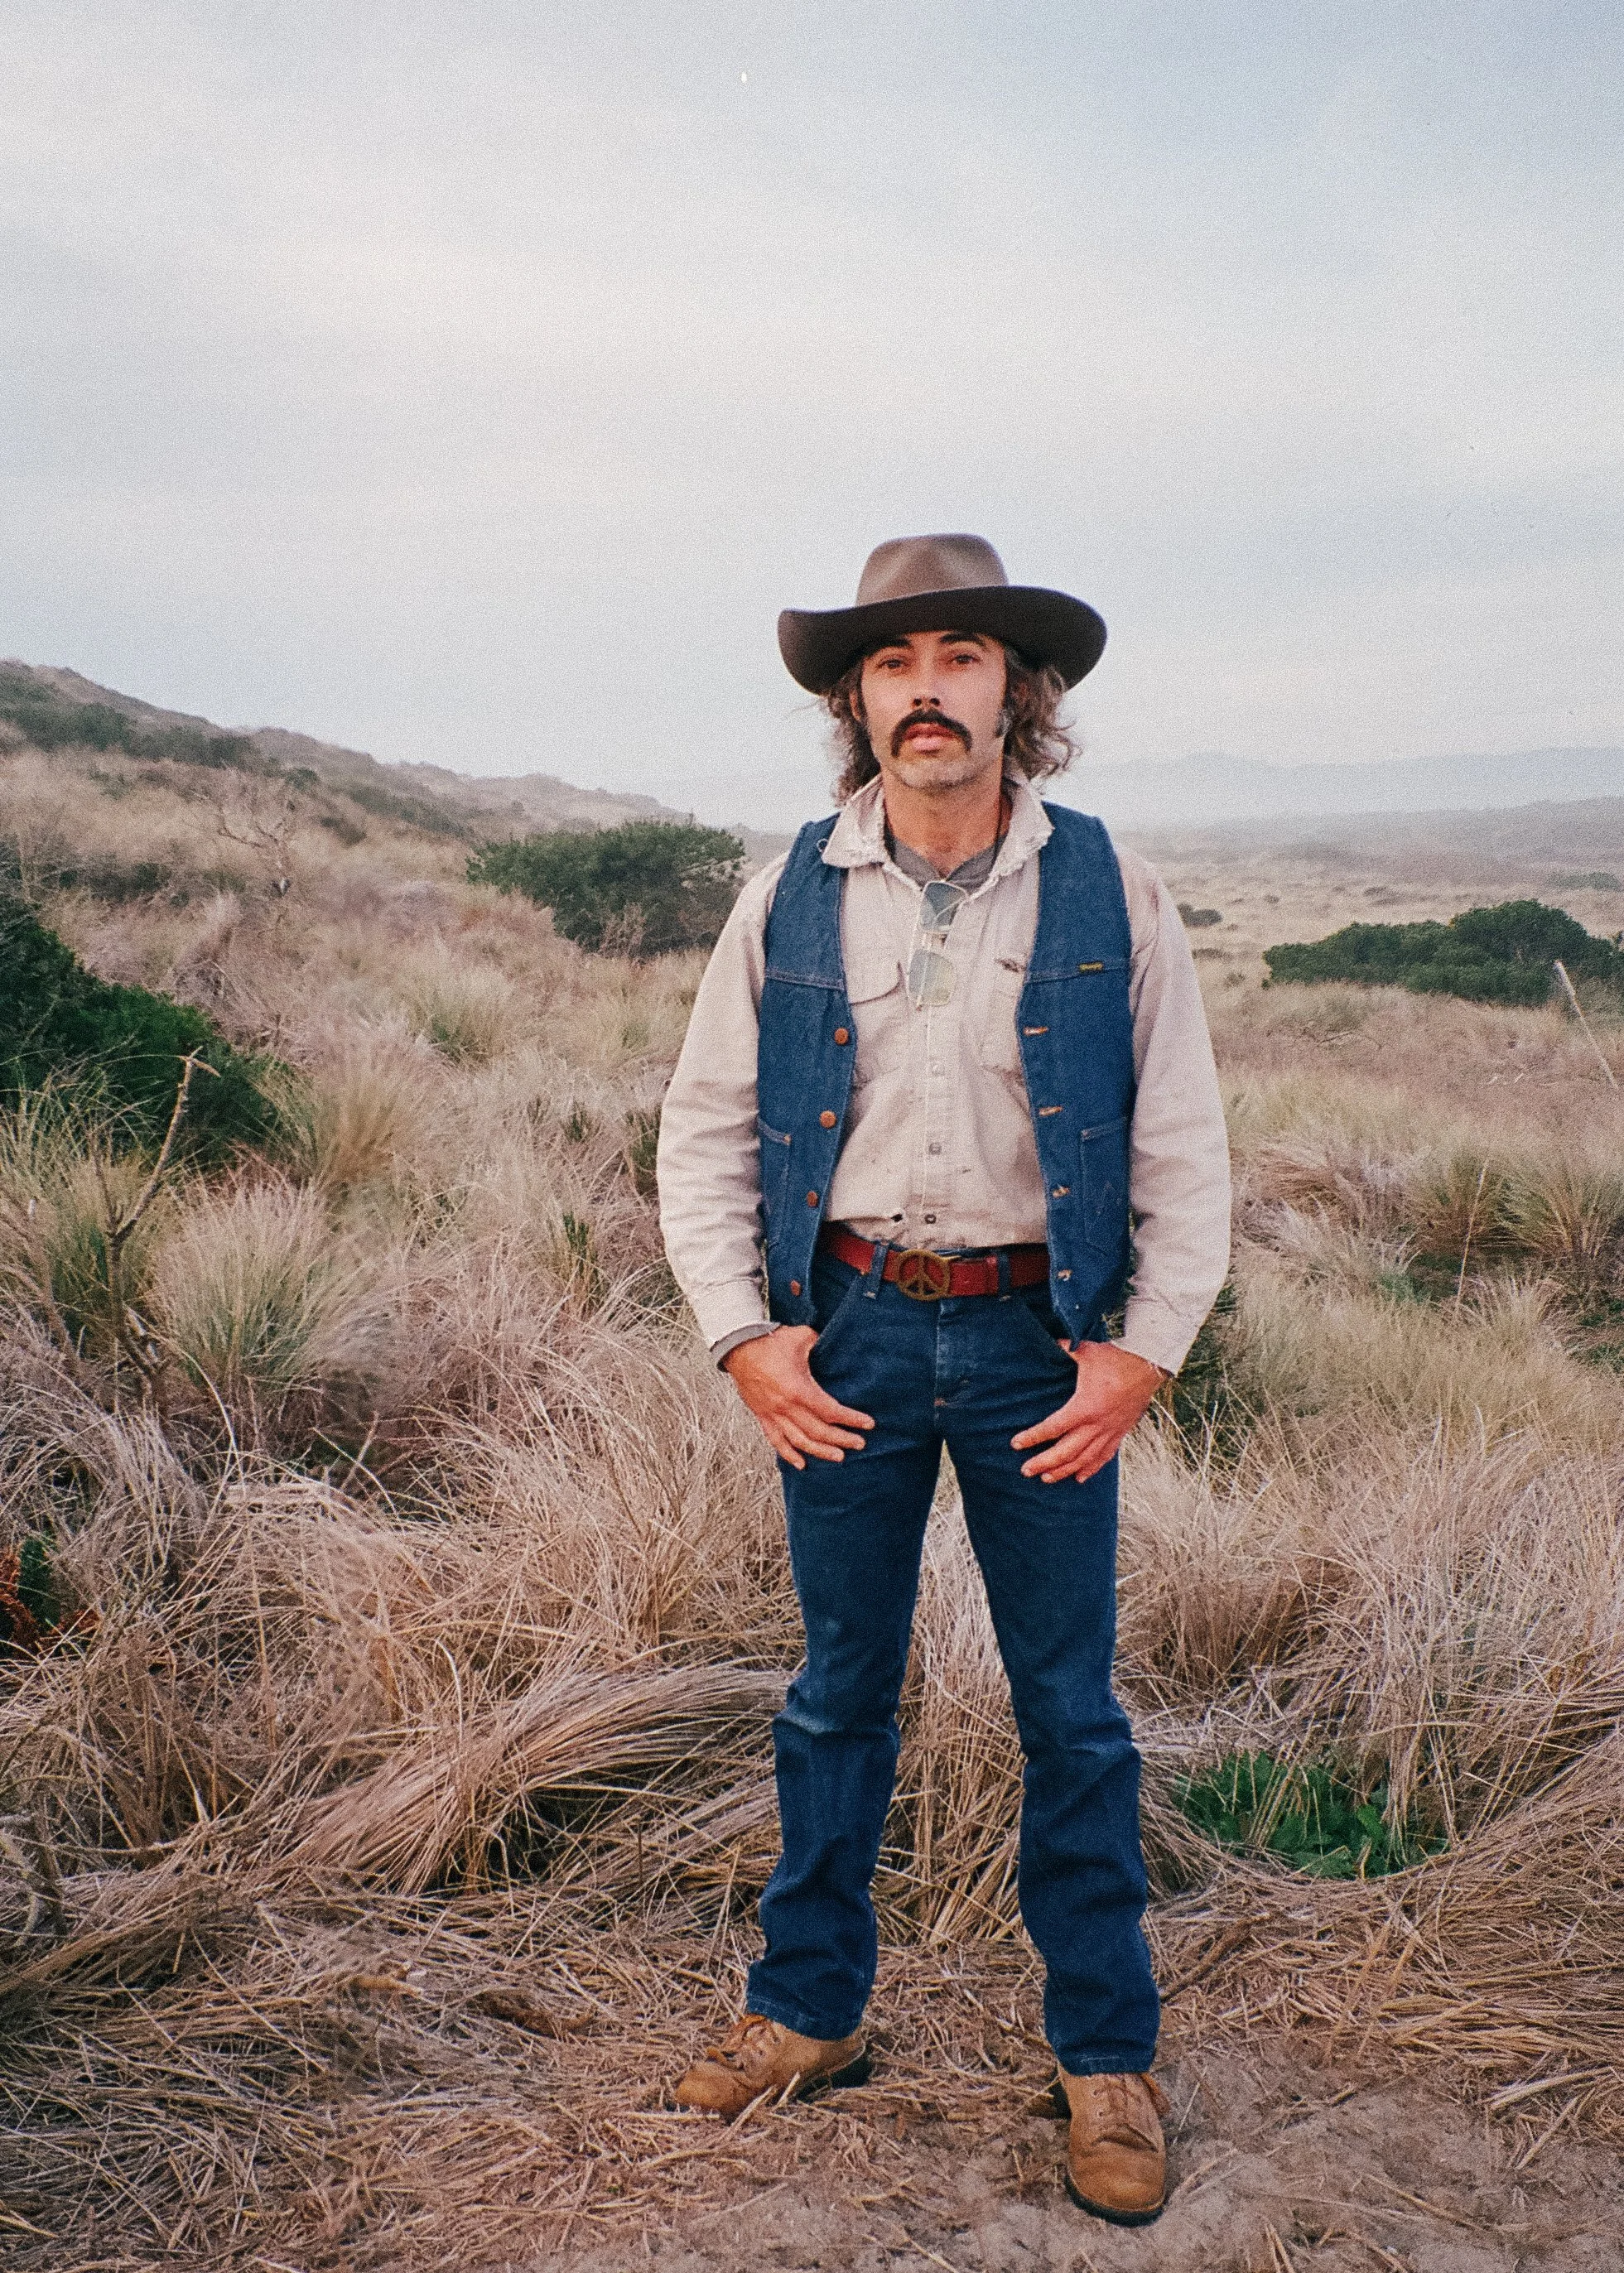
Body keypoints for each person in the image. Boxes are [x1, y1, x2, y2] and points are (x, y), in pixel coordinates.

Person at [654, 533, 1230, 2226]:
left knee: (1069, 1711)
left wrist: (1142, 1353)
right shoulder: (790, 891)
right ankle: (806, 2011)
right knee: (837, 1690)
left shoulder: (1109, 888)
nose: (926, 692)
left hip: (1033, 1349)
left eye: (959, 658)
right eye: (893, 665)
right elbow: (698, 1130)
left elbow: (1182, 1149)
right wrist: (744, 1338)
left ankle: (1103, 2056)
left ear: (1014, 695)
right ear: (858, 698)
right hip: (838, 1336)